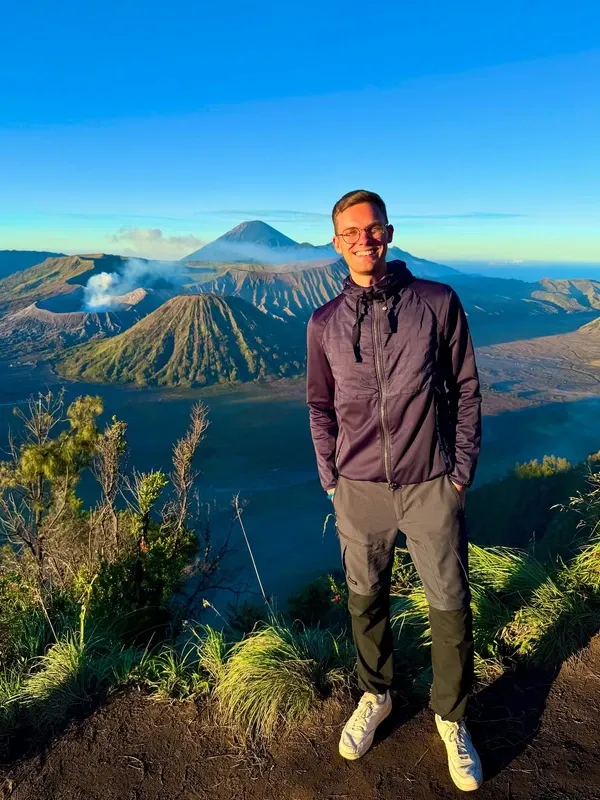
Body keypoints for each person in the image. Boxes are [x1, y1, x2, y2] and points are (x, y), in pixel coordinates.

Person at [306, 189, 483, 792]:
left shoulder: (436, 303)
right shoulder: (324, 322)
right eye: (351, 233)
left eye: (373, 229)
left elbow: (465, 388)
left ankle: (451, 716)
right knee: (365, 599)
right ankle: (376, 693)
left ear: (390, 232)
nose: (364, 240)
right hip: (357, 490)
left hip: (431, 482)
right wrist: (333, 479)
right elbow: (319, 405)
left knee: (450, 603)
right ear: (336, 243)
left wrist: (458, 474)